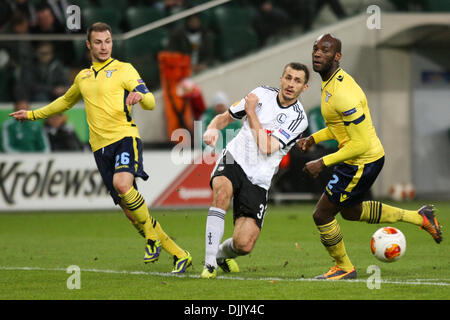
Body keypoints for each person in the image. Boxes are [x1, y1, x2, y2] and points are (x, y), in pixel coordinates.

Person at [9, 22, 192, 273]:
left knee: (122, 184)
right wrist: (31, 115)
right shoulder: (82, 77)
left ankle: (151, 238)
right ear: (88, 45)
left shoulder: (124, 69)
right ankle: (179, 253)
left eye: (107, 41)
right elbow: (64, 102)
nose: (104, 47)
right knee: (130, 213)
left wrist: (140, 97)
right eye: (98, 42)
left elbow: (149, 101)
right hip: (100, 149)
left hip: (125, 138)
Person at [299, 33, 442, 280]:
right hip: (361, 158)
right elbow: (339, 127)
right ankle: (420, 217)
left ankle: (344, 267)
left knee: (322, 214)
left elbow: (360, 143)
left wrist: (323, 162)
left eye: (325, 49)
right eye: (315, 49)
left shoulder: (344, 92)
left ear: (337, 56)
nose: (318, 53)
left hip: (361, 161)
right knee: (351, 211)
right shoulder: (331, 83)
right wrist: (314, 139)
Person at [201, 62, 310, 278]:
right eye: (288, 77)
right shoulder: (260, 93)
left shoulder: (299, 119)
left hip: (259, 177)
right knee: (221, 193)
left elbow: (267, 146)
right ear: (281, 79)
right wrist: (212, 128)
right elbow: (225, 117)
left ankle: (222, 255)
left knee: (244, 244)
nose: (290, 84)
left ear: (304, 88)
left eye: (297, 81)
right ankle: (210, 263)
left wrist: (251, 113)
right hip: (235, 158)